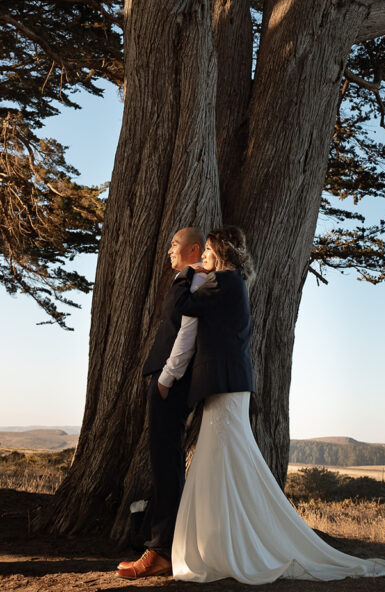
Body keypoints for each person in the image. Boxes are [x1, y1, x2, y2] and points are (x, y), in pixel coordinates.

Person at [170, 228, 385, 584]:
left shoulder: (224, 282)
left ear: (222, 253)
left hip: (227, 386)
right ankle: (227, 542)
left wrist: (187, 273)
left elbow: (181, 304)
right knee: (223, 460)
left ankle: (234, 545)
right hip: (227, 386)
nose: (205, 259)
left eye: (209, 252)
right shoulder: (230, 283)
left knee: (226, 460)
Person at [116, 227, 207, 580]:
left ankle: (160, 551)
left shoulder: (197, 281)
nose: (169, 249)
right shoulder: (187, 278)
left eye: (174, 244)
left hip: (173, 382)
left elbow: (188, 333)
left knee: (167, 464)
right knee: (164, 462)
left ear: (194, 248)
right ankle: (165, 545)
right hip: (168, 379)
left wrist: (167, 379)